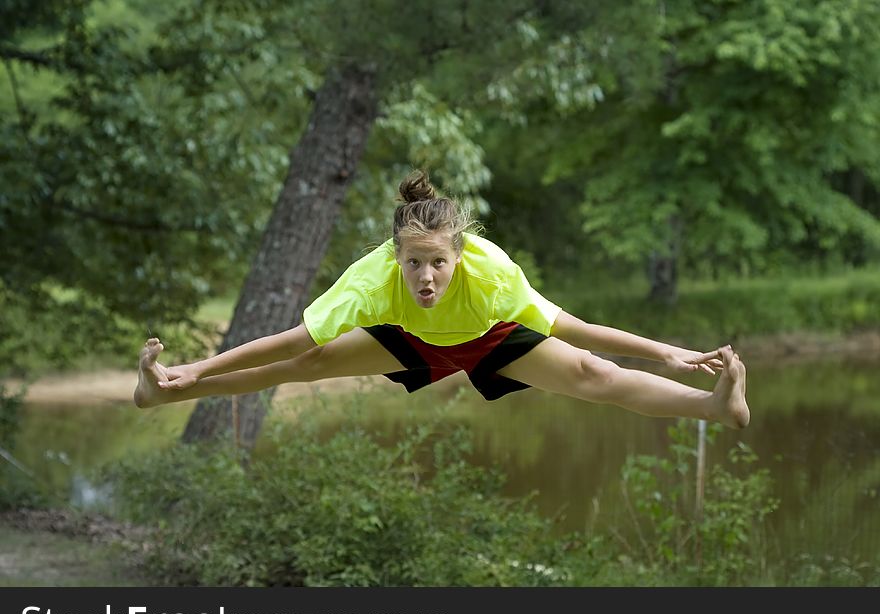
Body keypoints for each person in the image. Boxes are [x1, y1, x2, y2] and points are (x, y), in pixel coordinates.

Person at [134, 170, 749, 430]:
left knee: (594, 374)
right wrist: (198, 366)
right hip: (412, 339)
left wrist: (666, 352)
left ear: (459, 256)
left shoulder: (493, 275)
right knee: (305, 366)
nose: (425, 276)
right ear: (395, 257)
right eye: (413, 263)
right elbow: (293, 341)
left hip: (487, 339)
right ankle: (169, 390)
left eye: (437, 263)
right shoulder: (374, 280)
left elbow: (577, 328)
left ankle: (714, 407)